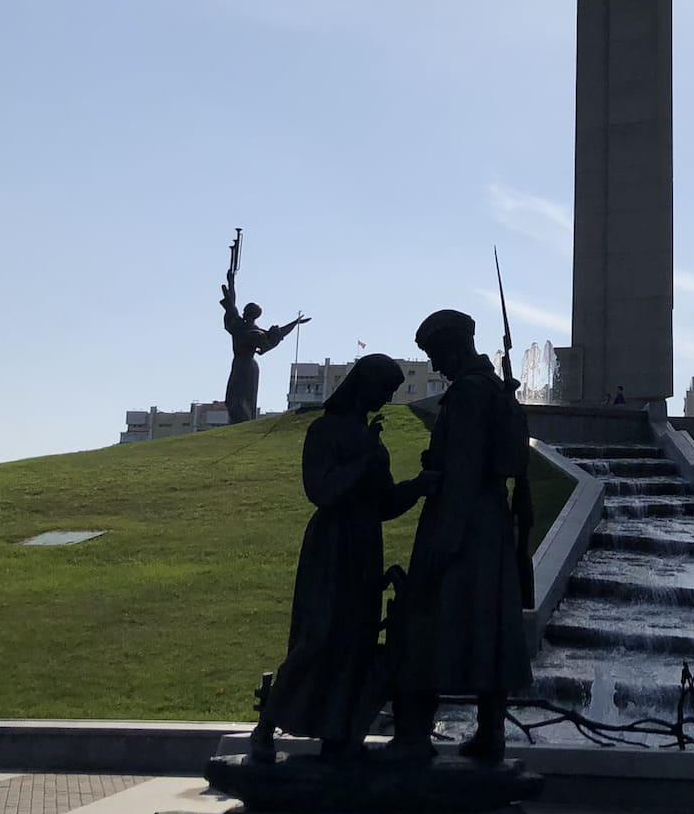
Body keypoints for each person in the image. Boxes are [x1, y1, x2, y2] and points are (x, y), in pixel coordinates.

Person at [259, 354, 436, 757]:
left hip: (363, 545)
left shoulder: (370, 439)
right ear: (363, 385)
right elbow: (321, 490)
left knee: (356, 639)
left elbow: (384, 503)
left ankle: (339, 735)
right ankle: (265, 726)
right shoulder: (325, 431)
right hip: (331, 547)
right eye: (383, 390)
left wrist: (419, 486)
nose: (386, 398)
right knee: (317, 637)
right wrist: (364, 459)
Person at [388, 309, 531, 762]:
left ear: (454, 346)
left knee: (427, 617)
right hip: (487, 522)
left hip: (461, 519)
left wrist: (445, 539)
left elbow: (467, 467)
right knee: (490, 624)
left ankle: (414, 736)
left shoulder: (469, 393)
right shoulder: (493, 389)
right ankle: (491, 733)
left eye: (435, 354)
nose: (434, 366)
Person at [220, 275, 306, 424]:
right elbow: (232, 305)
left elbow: (276, 336)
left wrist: (295, 323)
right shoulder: (240, 325)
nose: (244, 313)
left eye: (247, 311)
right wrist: (231, 282)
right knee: (232, 399)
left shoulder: (253, 332)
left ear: (251, 314)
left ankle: (242, 425)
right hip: (240, 365)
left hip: (246, 366)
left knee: (242, 400)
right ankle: (238, 424)